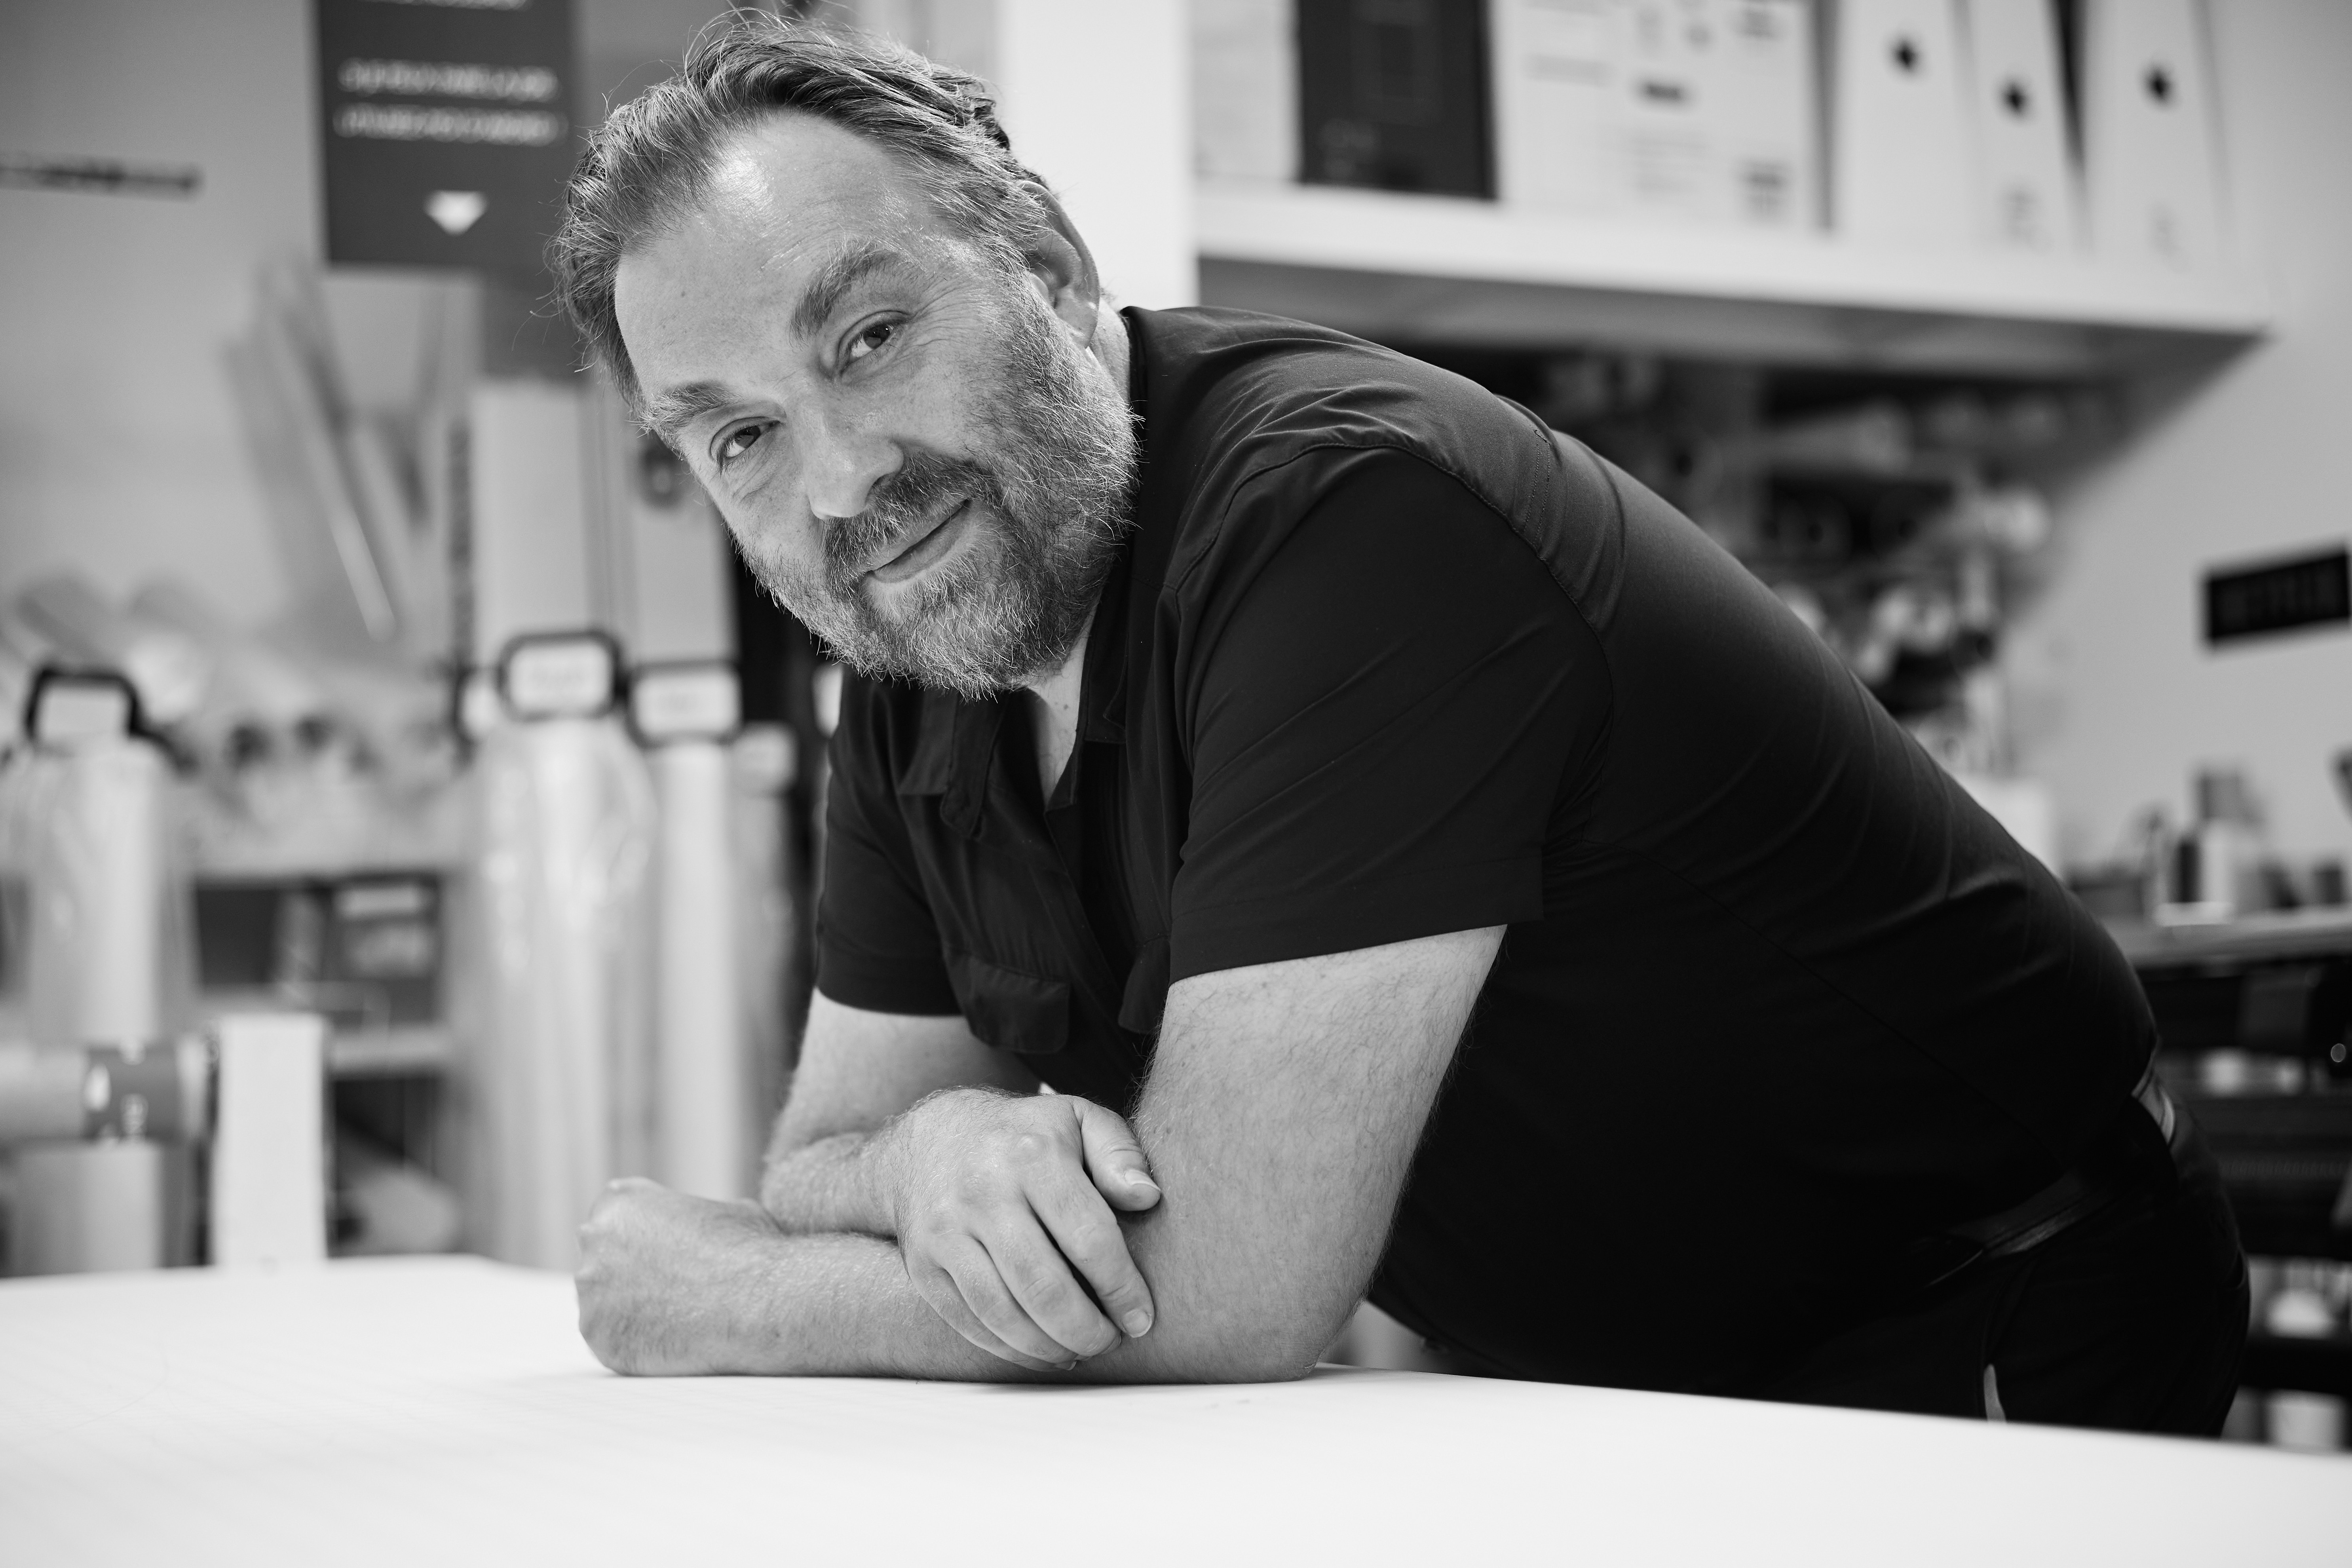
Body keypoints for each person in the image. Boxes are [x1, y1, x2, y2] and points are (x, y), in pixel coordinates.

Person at [554, 15, 2245, 1429]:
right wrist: (931, 1148)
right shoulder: (921, 653)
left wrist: (735, 1296)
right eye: (738, 437)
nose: (840, 480)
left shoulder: (1348, 517)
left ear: (1048, 272)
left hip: (1975, 1321)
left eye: (868, 336)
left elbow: (1226, 1283)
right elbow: (831, 1147)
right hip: (1620, 1393)